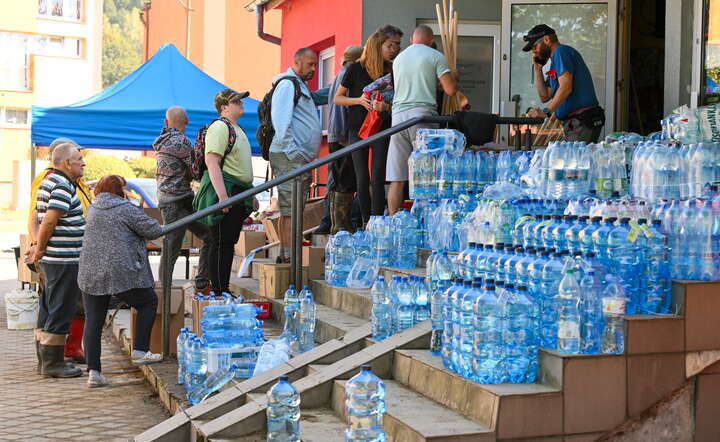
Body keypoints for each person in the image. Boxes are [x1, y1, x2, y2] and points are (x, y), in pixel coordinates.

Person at [78, 175, 164, 388]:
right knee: (147, 302)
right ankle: (140, 350)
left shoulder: (94, 208)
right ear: (120, 190)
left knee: (94, 321)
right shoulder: (126, 208)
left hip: (90, 272)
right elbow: (153, 230)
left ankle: (94, 373)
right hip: (120, 272)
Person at [28, 138, 91, 366]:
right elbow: (48, 222)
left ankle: (46, 360)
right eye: (79, 160)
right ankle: (53, 364)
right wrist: (40, 249)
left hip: (58, 259)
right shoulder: (61, 185)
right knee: (60, 310)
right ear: (66, 163)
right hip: (62, 260)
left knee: (49, 309)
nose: (83, 164)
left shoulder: (55, 181)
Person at [334, 26, 403, 226]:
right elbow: (338, 98)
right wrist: (359, 101)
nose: (395, 50)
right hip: (358, 127)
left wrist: (386, 106)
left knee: (378, 174)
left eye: (397, 45)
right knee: (362, 177)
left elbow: (400, 100)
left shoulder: (392, 70)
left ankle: (377, 221)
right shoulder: (355, 68)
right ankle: (366, 221)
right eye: (391, 45)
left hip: (382, 125)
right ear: (378, 45)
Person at [386, 25, 458, 215]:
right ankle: (426, 222)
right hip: (422, 116)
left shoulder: (398, 59)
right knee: (425, 175)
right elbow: (450, 90)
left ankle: (394, 222)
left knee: (397, 177)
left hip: (398, 117)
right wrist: (453, 77)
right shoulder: (435, 56)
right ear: (431, 40)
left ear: (412, 39)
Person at [194, 89, 256, 293]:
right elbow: (212, 161)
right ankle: (220, 290)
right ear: (223, 107)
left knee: (226, 243)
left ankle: (221, 288)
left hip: (238, 191)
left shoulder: (236, 128)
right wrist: (223, 197)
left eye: (240, 100)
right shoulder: (220, 127)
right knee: (221, 243)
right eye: (235, 101)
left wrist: (251, 194)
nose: (241, 103)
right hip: (227, 191)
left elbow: (241, 166)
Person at [269, 48, 322, 261]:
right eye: (310, 64)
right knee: (291, 210)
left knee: (291, 209)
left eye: (316, 65)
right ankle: (290, 258)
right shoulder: (287, 84)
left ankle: (286, 256)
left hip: (294, 158)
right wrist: (295, 154)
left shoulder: (299, 86)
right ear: (296, 62)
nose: (314, 69)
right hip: (289, 157)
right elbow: (280, 122)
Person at [153, 106, 210, 287]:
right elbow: (195, 171)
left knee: (171, 247)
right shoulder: (181, 142)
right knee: (173, 248)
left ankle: (167, 289)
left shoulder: (162, 141)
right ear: (186, 121)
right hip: (178, 201)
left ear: (166, 122)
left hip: (172, 200)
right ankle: (166, 292)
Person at [523, 24, 605, 142]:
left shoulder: (561, 52)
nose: (533, 51)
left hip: (581, 120)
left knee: (575, 160)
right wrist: (537, 69)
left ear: (546, 39)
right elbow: (545, 96)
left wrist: (546, 112)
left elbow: (566, 87)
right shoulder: (554, 63)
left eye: (535, 46)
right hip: (575, 122)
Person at [319, 44, 364, 233]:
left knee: (337, 182)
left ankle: (333, 225)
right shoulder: (348, 75)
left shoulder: (338, 74)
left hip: (335, 134)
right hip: (343, 135)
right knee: (344, 184)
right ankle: (340, 228)